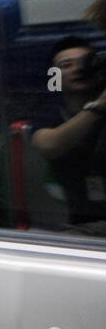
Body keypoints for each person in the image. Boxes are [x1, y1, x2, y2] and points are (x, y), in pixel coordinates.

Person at [31, 36, 106, 232]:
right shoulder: (50, 114)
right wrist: (98, 108)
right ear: (54, 77)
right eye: (67, 65)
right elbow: (49, 146)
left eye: (88, 63)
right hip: (81, 223)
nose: (79, 69)